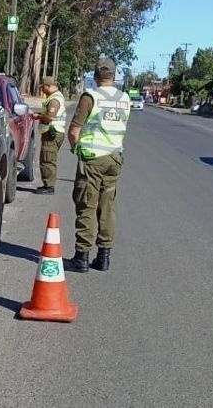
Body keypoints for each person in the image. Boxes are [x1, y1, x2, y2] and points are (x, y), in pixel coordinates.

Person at [64, 58, 130, 273]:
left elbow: (74, 131)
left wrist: (76, 149)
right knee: (107, 207)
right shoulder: (124, 98)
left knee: (86, 205)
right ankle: (104, 257)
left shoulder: (90, 96)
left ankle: (82, 257)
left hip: (92, 158)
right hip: (114, 158)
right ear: (114, 75)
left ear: (95, 76)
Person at [32, 76, 67, 195]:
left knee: (48, 160)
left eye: (43, 87)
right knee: (46, 158)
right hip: (52, 132)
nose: (42, 90)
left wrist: (38, 117)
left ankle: (49, 186)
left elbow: (50, 117)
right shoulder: (53, 97)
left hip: (52, 133)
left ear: (48, 86)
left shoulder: (54, 99)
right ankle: (47, 184)